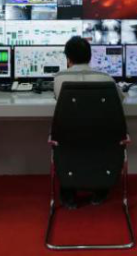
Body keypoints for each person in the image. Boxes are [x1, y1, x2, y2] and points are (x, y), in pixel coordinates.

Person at [51, 36, 124, 209]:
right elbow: (120, 99)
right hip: (102, 138)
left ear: (68, 58)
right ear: (90, 57)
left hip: (68, 138)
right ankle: (100, 186)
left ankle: (68, 190)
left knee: (70, 137)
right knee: (98, 137)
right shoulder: (106, 79)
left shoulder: (59, 78)